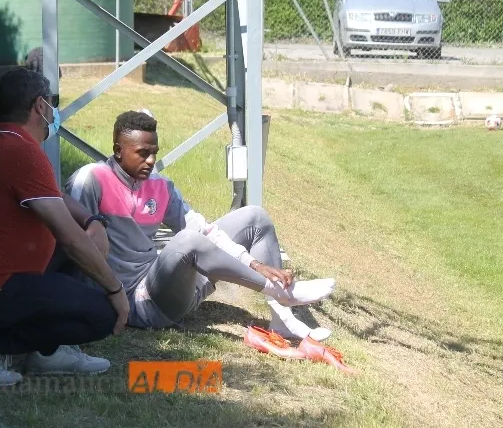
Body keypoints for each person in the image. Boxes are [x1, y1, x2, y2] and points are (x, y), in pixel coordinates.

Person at [63, 110, 335, 340]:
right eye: (142, 153)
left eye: (154, 153)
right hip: (136, 303)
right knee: (187, 241)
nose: (150, 161)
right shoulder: (91, 180)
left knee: (254, 217)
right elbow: (73, 244)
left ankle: (281, 319)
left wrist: (253, 263)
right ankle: (279, 291)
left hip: (172, 289)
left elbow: (204, 229)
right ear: (118, 151)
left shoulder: (160, 187)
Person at [0, 67, 130, 386]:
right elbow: (70, 240)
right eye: (53, 103)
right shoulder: (20, 152)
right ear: (40, 106)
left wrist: (92, 221)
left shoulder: (11, 144)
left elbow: (57, 198)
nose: (55, 111)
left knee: (78, 258)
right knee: (103, 316)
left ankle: (47, 352)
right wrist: (115, 289)